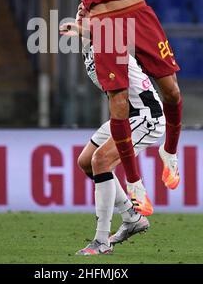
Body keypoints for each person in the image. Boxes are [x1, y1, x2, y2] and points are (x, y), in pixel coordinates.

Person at [6, 0, 182, 208]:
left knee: (171, 91)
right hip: (104, 22)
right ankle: (135, 185)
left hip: (138, 13)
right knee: (117, 103)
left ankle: (170, 151)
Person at [59, 15, 165, 255]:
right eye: (79, 11)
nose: (80, 14)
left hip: (145, 115)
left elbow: (109, 34)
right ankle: (131, 216)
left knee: (101, 161)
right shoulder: (88, 44)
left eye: (85, 12)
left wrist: (80, 27)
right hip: (125, 114)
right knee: (86, 162)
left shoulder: (109, 42)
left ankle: (101, 241)